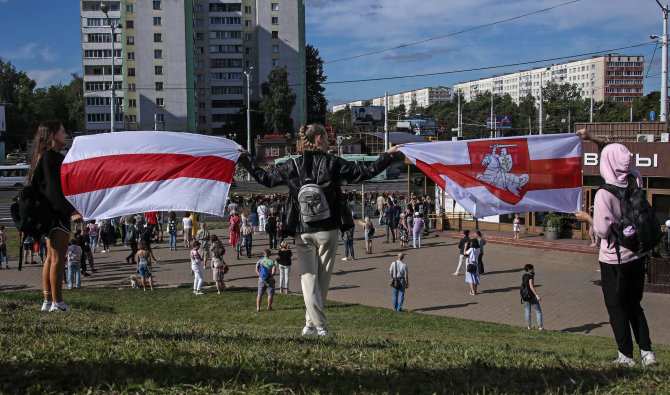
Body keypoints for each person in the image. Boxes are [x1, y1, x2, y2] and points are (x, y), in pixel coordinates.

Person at [239, 123, 401, 336]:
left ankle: (310, 325)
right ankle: (319, 327)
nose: (329, 141)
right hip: (329, 228)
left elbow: (265, 178)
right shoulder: (333, 162)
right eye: (326, 138)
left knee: (308, 279)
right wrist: (387, 156)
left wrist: (245, 159)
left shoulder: (292, 165)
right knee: (322, 281)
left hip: (302, 229)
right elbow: (364, 172)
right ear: (317, 139)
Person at [574, 142, 658, 368]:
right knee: (634, 305)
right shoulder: (636, 180)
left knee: (616, 306)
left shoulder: (604, 194)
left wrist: (587, 218)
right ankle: (647, 352)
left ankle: (625, 355)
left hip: (615, 258)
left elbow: (602, 231)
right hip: (638, 254)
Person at [29, 121, 83, 312]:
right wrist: (71, 211)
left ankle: (47, 300)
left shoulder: (42, 157)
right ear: (53, 136)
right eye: (62, 131)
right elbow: (54, 191)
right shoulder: (50, 158)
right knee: (58, 258)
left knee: (50, 258)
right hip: (56, 215)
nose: (66, 134)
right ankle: (58, 303)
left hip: (47, 215)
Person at [521, 264, 543, 330]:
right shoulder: (530, 277)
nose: (533, 270)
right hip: (531, 296)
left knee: (527, 310)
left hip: (525, 296)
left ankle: (528, 326)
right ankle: (540, 327)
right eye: (532, 269)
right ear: (530, 270)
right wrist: (537, 295)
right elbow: (531, 286)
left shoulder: (524, 276)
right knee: (538, 311)